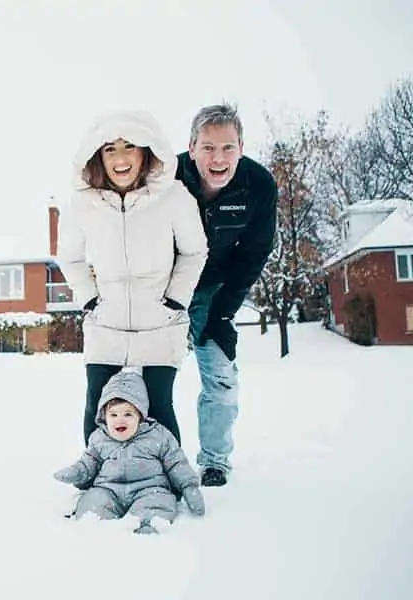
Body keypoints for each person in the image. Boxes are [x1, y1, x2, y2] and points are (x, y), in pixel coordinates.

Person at [56, 110, 208, 446]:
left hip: (160, 321)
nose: (120, 158)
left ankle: (164, 483)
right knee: (100, 403)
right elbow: (69, 256)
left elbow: (194, 251)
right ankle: (101, 480)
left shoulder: (174, 196)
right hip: (106, 322)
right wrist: (90, 299)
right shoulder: (81, 204)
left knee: (157, 405)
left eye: (130, 147)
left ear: (147, 152)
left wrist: (175, 300)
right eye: (110, 149)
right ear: (97, 155)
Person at [175, 103, 278, 487]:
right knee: (147, 375)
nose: (218, 158)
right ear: (191, 147)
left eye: (228, 148)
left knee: (221, 381)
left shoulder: (259, 186)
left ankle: (215, 461)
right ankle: (145, 457)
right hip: (163, 288)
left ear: (241, 146)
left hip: (215, 290)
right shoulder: (166, 177)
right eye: (208, 148)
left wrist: (222, 311)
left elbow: (254, 253)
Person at [53, 370, 206, 534]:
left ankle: (147, 524)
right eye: (113, 414)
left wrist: (189, 486)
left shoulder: (158, 435)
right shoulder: (99, 438)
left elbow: (176, 462)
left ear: (140, 415)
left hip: (149, 488)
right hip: (108, 489)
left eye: (128, 414)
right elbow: (88, 462)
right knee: (93, 503)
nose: (120, 419)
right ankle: (95, 528)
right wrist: (76, 472)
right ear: (104, 417)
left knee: (157, 503)